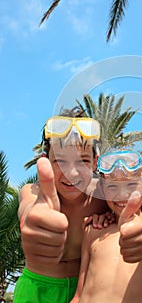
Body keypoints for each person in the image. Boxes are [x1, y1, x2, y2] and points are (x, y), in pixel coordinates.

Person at [14, 109, 110, 303]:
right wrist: (32, 218)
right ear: (45, 161)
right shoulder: (32, 191)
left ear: (95, 163)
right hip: (36, 290)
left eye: (82, 161)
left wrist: (111, 218)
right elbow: (28, 209)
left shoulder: (104, 196)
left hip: (83, 292)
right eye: (60, 161)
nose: (72, 172)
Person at [70, 150, 142, 303]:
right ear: (102, 190)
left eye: (132, 185)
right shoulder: (94, 231)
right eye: (112, 187)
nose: (122, 194)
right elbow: (79, 295)